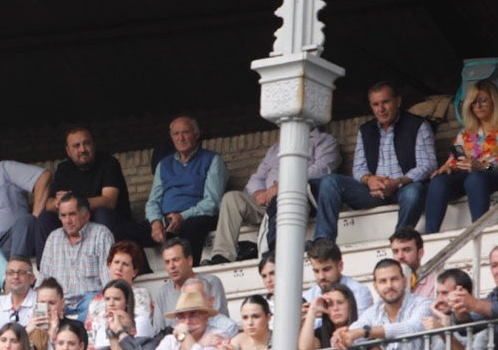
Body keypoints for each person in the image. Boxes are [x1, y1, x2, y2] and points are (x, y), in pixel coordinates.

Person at [313, 81, 437, 233]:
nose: (381, 109)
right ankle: (323, 239)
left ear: (398, 101)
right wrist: (369, 180)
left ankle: (400, 237)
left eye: (386, 102)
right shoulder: (365, 130)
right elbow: (359, 168)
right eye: (376, 104)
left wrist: (397, 182)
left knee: (414, 192)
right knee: (330, 181)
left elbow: (428, 165)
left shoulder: (417, 125)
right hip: (374, 192)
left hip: (403, 187)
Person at [213, 126, 340, 263]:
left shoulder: (323, 141)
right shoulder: (276, 148)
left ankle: (276, 252)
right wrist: (258, 192)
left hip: (297, 200)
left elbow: (322, 169)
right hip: (266, 202)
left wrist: (284, 185)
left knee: (287, 195)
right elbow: (257, 177)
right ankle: (223, 255)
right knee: (232, 198)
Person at [422, 81, 498, 233]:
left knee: (475, 178)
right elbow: (455, 157)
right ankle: (429, 235)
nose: (478, 106)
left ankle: (478, 230)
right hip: (468, 175)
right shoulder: (465, 132)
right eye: (474, 102)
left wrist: (482, 166)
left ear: (494, 102)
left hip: (495, 174)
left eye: (483, 100)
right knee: (438, 181)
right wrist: (448, 167)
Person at [143, 116, 227, 260]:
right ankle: (143, 272)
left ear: (196, 134)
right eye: (176, 134)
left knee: (191, 227)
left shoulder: (212, 160)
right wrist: (155, 221)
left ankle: (188, 273)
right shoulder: (163, 164)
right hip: (166, 221)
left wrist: (182, 216)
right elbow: (153, 201)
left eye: (185, 132)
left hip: (196, 217)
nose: (180, 138)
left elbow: (212, 203)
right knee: (123, 232)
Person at [44, 126, 131, 240]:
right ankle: (46, 258)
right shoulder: (63, 169)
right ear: (68, 151)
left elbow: (109, 201)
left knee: (102, 213)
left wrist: (74, 202)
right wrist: (58, 202)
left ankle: (106, 256)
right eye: (76, 146)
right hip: (76, 220)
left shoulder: (109, 163)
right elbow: (49, 204)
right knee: (45, 218)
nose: (82, 149)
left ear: (94, 145)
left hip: (111, 220)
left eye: (87, 143)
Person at [39, 192, 116, 317]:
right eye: (63, 216)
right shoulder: (53, 238)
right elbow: (43, 279)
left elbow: (108, 279)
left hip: (90, 301)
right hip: (60, 302)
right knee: (40, 310)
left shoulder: (101, 234)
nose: (68, 221)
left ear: (86, 215)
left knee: (96, 303)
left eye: (72, 214)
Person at [83, 243, 155, 350]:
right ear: (109, 265)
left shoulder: (141, 295)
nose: (119, 268)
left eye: (125, 264)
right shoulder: (96, 301)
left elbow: (138, 329)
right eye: (116, 262)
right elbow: (89, 336)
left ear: (134, 271)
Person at [150, 239, 230, 331]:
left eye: (176, 260)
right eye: (167, 262)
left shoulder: (211, 282)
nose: (171, 266)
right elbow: (158, 331)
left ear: (189, 260)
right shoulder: (163, 292)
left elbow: (220, 322)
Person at [303, 237, 375, 313]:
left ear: (340, 266)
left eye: (326, 269)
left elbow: (361, 324)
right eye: (316, 271)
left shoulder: (359, 293)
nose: (321, 276)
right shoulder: (308, 297)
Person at [0, 257, 38, 332]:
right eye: (10, 272)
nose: (15, 276)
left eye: (21, 272)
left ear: (32, 278)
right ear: (5, 278)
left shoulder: (40, 302)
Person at [387, 227, 438, 299]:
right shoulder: (387, 283)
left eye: (406, 250)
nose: (400, 256)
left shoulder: (435, 282)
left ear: (420, 253)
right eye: (395, 251)